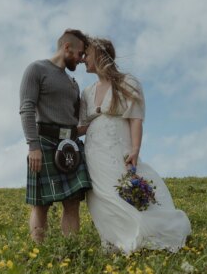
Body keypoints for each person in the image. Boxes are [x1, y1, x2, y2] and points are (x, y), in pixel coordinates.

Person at [78, 37, 191, 253]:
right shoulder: (87, 92)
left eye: (87, 54)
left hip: (118, 145)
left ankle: (139, 234)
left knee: (121, 190)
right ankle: (113, 240)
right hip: (93, 150)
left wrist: (135, 150)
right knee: (100, 196)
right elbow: (82, 126)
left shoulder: (127, 82)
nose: (83, 59)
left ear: (100, 55)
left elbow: (135, 118)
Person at [20, 29, 92, 243]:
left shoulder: (73, 83)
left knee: (72, 203)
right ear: (66, 47)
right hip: (44, 143)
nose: (81, 60)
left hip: (71, 145)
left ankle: (69, 252)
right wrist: (33, 146)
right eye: (80, 54)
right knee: (40, 204)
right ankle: (39, 254)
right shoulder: (36, 69)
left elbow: (74, 119)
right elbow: (26, 108)